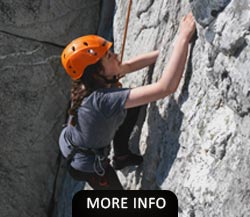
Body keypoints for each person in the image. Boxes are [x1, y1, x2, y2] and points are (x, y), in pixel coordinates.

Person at [59, 12, 196, 190]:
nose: (116, 56)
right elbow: (166, 88)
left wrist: (171, 49)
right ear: (98, 72)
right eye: (109, 56)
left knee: (131, 101)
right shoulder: (102, 100)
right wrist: (184, 38)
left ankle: (121, 155)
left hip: (73, 142)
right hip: (85, 164)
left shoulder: (88, 81)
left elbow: (128, 66)